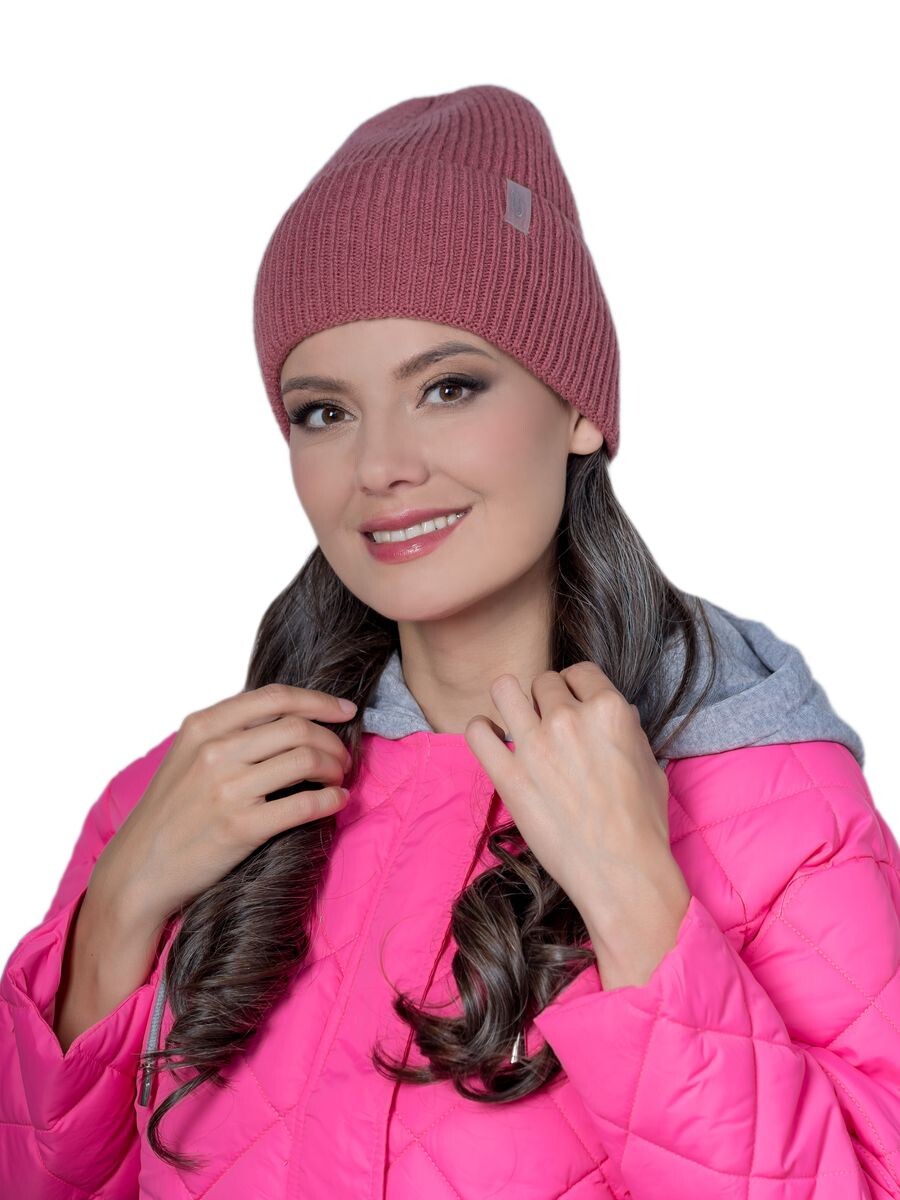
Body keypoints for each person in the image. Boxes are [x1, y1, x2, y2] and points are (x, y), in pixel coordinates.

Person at [2, 83, 899, 1200]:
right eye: (324, 411)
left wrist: (638, 901)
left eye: (448, 387)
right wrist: (119, 912)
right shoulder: (189, 796)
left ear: (581, 408)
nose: (381, 465)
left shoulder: (773, 809)